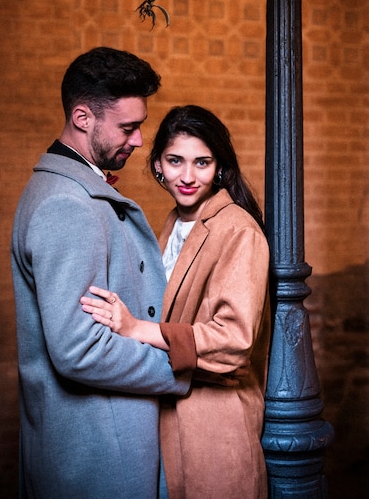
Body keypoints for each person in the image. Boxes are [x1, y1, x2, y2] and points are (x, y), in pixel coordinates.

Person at [10, 47, 192, 499]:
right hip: (99, 457)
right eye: (128, 128)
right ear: (83, 117)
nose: (138, 140)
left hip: (95, 445)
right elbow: (77, 348)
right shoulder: (65, 204)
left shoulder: (67, 190)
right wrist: (181, 368)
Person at [81, 104, 271, 499]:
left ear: (219, 167)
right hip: (169, 417)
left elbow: (234, 340)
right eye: (175, 161)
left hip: (215, 425)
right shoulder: (173, 222)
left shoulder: (238, 229)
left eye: (202, 163)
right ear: (157, 166)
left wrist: (135, 328)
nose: (187, 176)